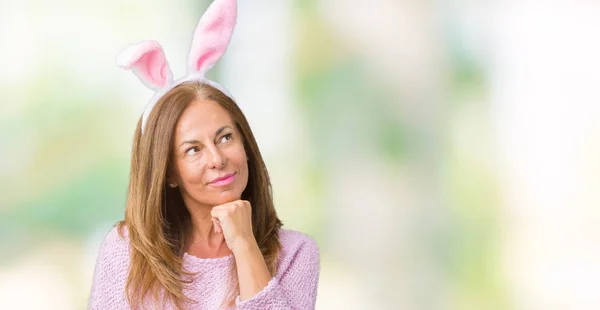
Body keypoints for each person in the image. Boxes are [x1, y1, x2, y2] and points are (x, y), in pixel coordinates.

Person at [88, 0, 320, 309]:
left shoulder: (296, 253)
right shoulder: (127, 250)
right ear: (168, 172)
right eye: (193, 149)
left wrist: (244, 243)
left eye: (225, 137)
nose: (217, 159)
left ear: (246, 145)